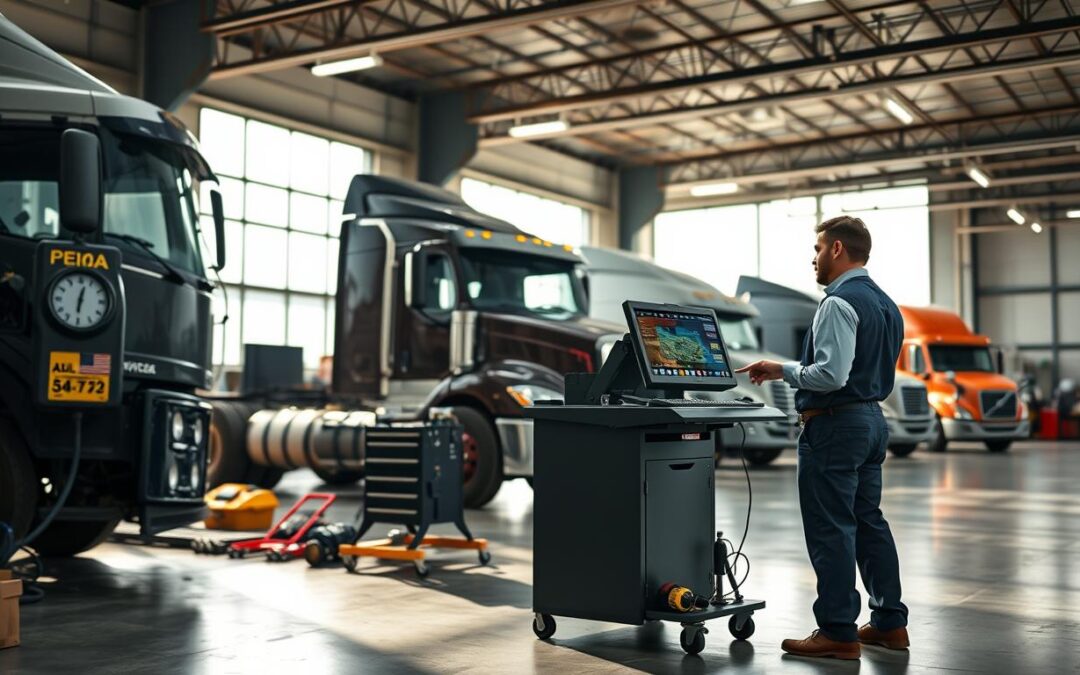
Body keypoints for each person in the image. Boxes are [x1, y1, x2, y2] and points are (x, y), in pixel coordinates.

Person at [735, 216, 910, 660]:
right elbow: (851, 365)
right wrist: (784, 367)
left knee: (831, 528)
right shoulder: (887, 305)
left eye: (816, 249)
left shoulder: (837, 303)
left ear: (836, 249)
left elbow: (831, 374)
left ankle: (837, 631)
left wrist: (785, 370)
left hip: (834, 425)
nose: (812, 258)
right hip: (870, 421)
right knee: (869, 522)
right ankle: (890, 624)